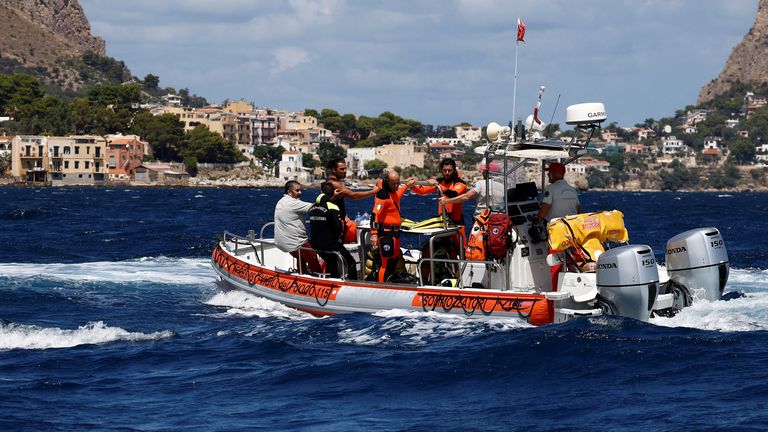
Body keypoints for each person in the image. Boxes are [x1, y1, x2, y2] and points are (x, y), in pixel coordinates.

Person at [370, 170, 415, 282]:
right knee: (385, 263)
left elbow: (396, 197)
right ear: (386, 182)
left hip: (395, 233)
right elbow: (375, 214)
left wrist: (406, 186)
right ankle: (381, 287)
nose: (396, 186)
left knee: (393, 261)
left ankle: (390, 283)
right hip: (386, 234)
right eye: (393, 184)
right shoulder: (383, 194)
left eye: (397, 183)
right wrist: (374, 234)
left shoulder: (392, 193)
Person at [309, 181, 358, 279]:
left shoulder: (313, 206)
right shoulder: (332, 206)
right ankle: (353, 283)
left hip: (315, 245)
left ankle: (332, 280)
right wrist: (338, 239)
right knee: (351, 262)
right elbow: (338, 228)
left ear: (321, 191)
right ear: (333, 192)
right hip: (330, 245)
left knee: (331, 262)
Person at [325, 157, 380, 242]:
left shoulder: (328, 183)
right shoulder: (335, 184)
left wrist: (345, 214)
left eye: (345, 169)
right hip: (336, 224)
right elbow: (353, 195)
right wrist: (373, 192)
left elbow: (332, 201)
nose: (344, 171)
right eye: (341, 169)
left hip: (332, 223)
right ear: (334, 170)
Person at [274, 180, 323, 274]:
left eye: (300, 190)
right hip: (297, 243)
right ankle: (319, 277)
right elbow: (316, 207)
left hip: (284, 243)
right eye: (297, 190)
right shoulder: (293, 203)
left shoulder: (281, 202)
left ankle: (302, 273)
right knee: (312, 259)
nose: (300, 193)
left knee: (301, 256)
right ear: (289, 192)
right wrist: (327, 197)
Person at [411, 158, 469, 230]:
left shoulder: (460, 183)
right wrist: (412, 186)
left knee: (459, 241)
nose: (447, 173)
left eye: (450, 170)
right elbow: (422, 191)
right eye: (444, 170)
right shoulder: (440, 181)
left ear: (454, 170)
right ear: (441, 170)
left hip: (457, 222)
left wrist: (438, 185)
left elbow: (453, 194)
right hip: (442, 221)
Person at [439, 162, 506, 217]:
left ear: (489, 172)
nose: (482, 173)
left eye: (484, 171)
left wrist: (446, 201)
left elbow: (466, 197)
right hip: (498, 218)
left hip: (483, 219)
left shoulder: (481, 184)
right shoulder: (503, 186)